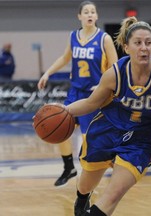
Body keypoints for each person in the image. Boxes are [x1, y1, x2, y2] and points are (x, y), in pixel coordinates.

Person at [65, 16, 151, 216]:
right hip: (107, 129)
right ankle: (82, 198)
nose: (144, 48)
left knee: (114, 194)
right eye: (138, 43)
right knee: (86, 184)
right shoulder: (114, 74)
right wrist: (64, 111)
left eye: (148, 43)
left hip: (142, 138)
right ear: (126, 46)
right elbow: (91, 103)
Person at [37, 1, 118, 187]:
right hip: (75, 91)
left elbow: (115, 66)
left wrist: (102, 84)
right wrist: (47, 72)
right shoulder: (73, 36)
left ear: (97, 16)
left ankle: (97, 174)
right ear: (79, 16)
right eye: (86, 12)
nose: (90, 14)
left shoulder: (104, 38)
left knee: (88, 140)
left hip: (94, 96)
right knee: (59, 127)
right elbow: (65, 58)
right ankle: (68, 168)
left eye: (93, 12)